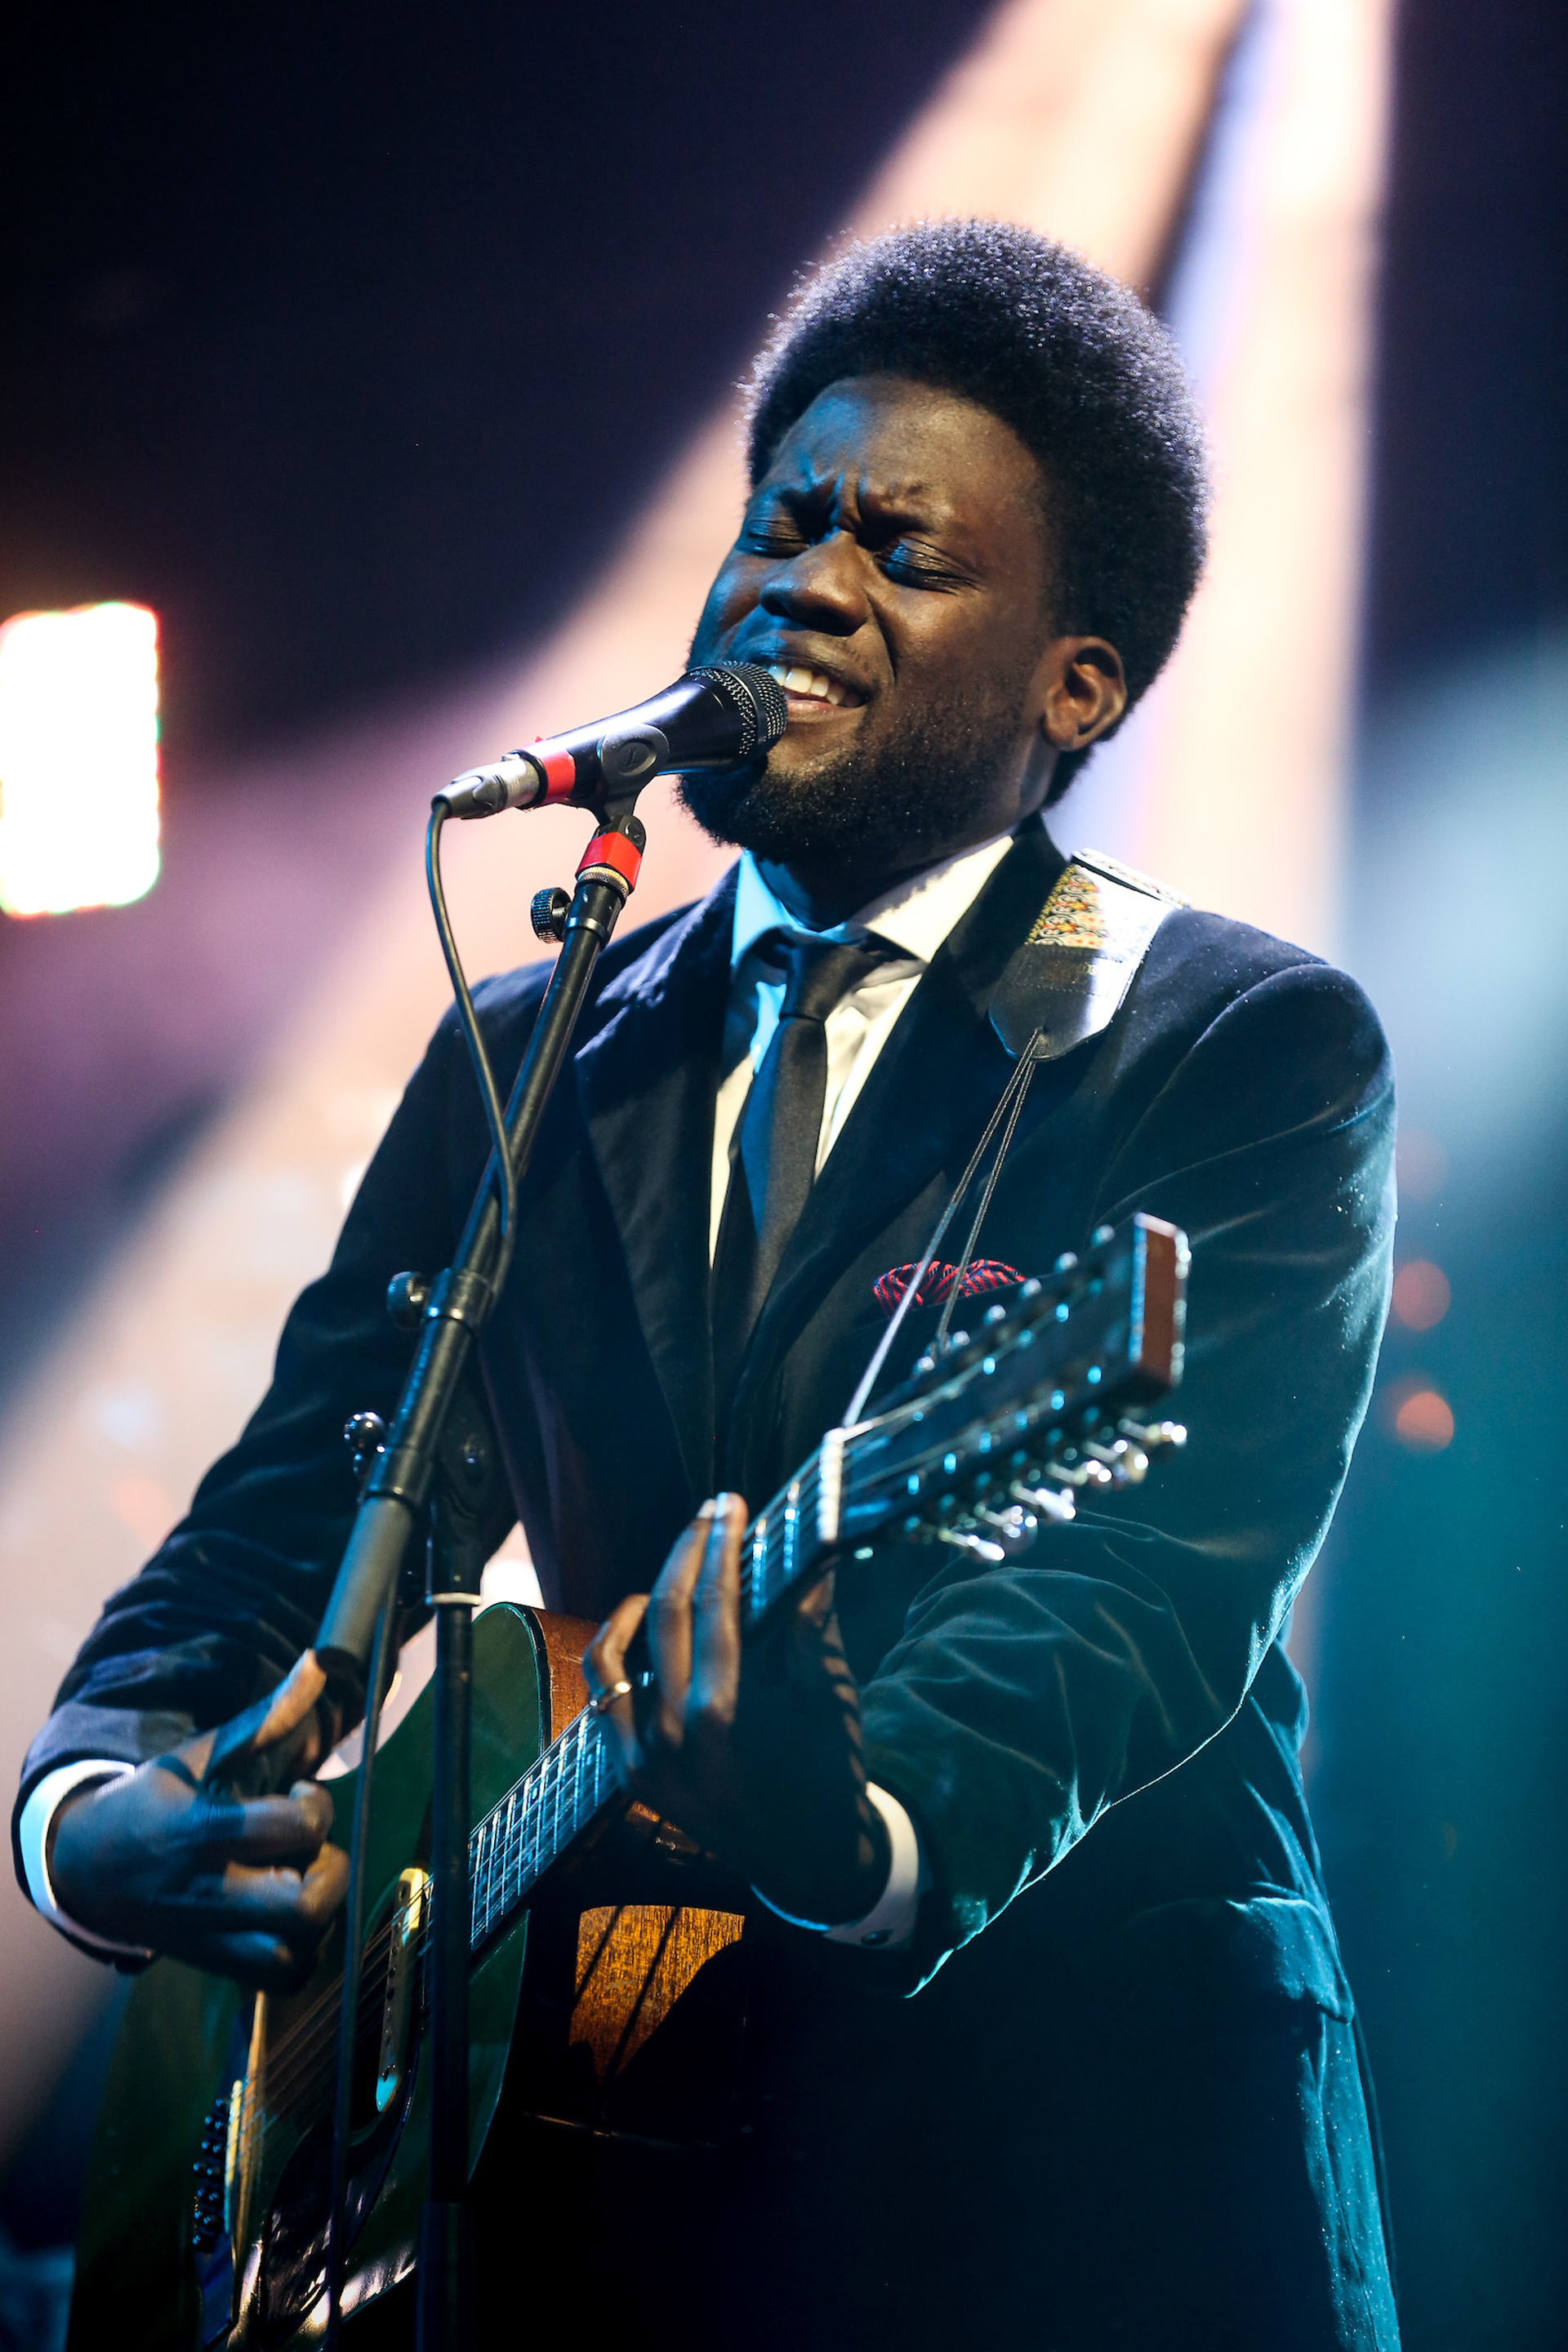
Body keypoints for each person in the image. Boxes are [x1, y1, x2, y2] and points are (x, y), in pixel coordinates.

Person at [13, 220, 1400, 2347]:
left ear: (1079, 680)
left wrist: (848, 1820)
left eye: (906, 552)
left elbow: (1138, 1590)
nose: (808, 580)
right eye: (787, 519)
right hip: (614, 2180)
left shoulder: (1229, 1046)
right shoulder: (537, 1044)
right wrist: (96, 1803)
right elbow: (298, 1503)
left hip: (1074, 2178)